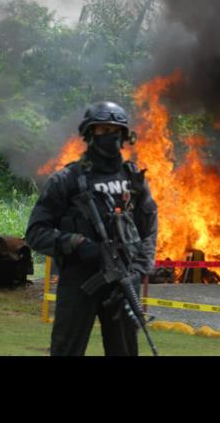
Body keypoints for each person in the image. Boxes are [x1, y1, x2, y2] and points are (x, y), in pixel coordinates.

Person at [25, 101, 158, 356]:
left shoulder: (134, 181)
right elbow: (36, 232)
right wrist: (77, 244)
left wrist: (139, 269)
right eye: (101, 130)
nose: (108, 136)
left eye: (114, 130)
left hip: (123, 282)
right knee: (67, 351)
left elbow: (149, 229)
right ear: (89, 134)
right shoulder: (67, 180)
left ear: (124, 136)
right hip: (79, 279)